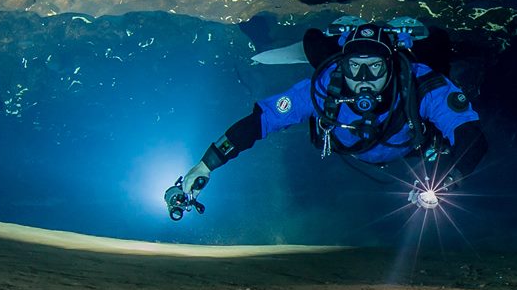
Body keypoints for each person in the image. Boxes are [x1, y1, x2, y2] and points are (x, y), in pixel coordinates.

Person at [166, 19, 487, 219]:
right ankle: (326, 39)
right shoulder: (322, 89)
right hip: (363, 144)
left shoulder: (423, 85)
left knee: (439, 53)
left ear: (391, 67)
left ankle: (438, 43)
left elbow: (472, 137)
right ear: (342, 67)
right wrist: (205, 164)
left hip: (412, 148)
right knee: (314, 45)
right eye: (354, 67)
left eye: (375, 68)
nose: (363, 79)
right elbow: (261, 121)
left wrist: (443, 179)